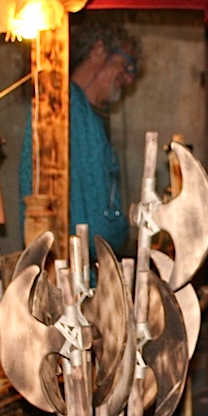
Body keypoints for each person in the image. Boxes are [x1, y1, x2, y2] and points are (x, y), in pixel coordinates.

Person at [19, 20, 139, 256]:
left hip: (78, 258)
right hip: (73, 262)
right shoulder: (68, 109)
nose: (129, 78)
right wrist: (115, 235)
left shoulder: (82, 112)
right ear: (98, 51)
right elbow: (94, 222)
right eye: (127, 65)